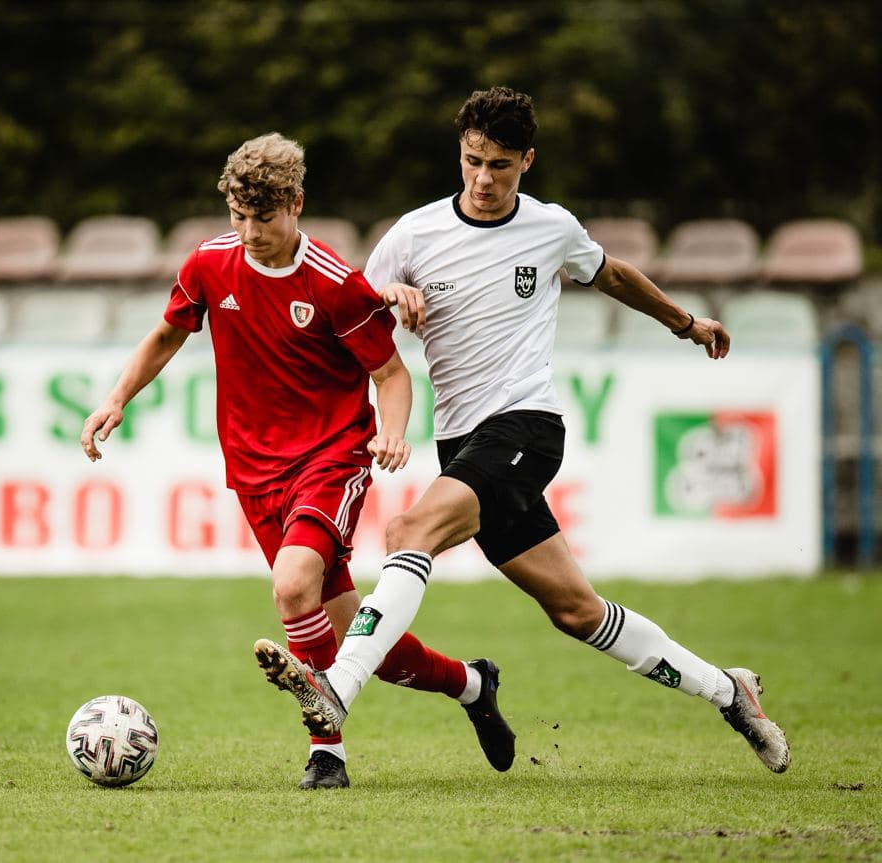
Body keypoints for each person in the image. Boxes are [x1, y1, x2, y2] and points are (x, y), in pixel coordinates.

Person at [255, 86, 790, 775]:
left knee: (409, 532)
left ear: (527, 161)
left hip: (526, 427)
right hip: (463, 444)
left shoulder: (551, 226)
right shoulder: (414, 234)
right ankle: (729, 691)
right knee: (576, 611)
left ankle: (340, 685)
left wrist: (685, 322)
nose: (483, 179)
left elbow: (610, 274)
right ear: (460, 152)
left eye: (500, 166)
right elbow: (350, 309)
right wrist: (388, 293)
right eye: (473, 161)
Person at [81, 132, 515, 790]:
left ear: (296, 205)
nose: (251, 233)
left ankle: (326, 753)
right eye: (238, 216)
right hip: (253, 471)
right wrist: (116, 398)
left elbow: (391, 373)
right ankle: (472, 683)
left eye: (264, 217)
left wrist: (392, 433)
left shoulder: (336, 284)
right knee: (360, 642)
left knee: (291, 587)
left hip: (330, 458)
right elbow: (168, 332)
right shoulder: (210, 264)